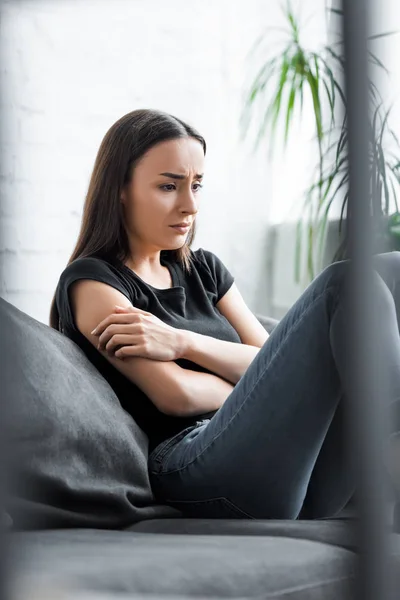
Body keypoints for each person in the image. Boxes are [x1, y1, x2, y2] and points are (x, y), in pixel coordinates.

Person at [50, 108, 400, 520]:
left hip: (295, 468)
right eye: (169, 186)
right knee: (344, 284)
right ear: (120, 189)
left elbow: (273, 359)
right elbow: (176, 395)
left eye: (196, 186)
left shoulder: (205, 270)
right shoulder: (92, 283)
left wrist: (184, 341)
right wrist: (267, 390)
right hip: (196, 462)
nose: (190, 205)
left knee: (391, 268)